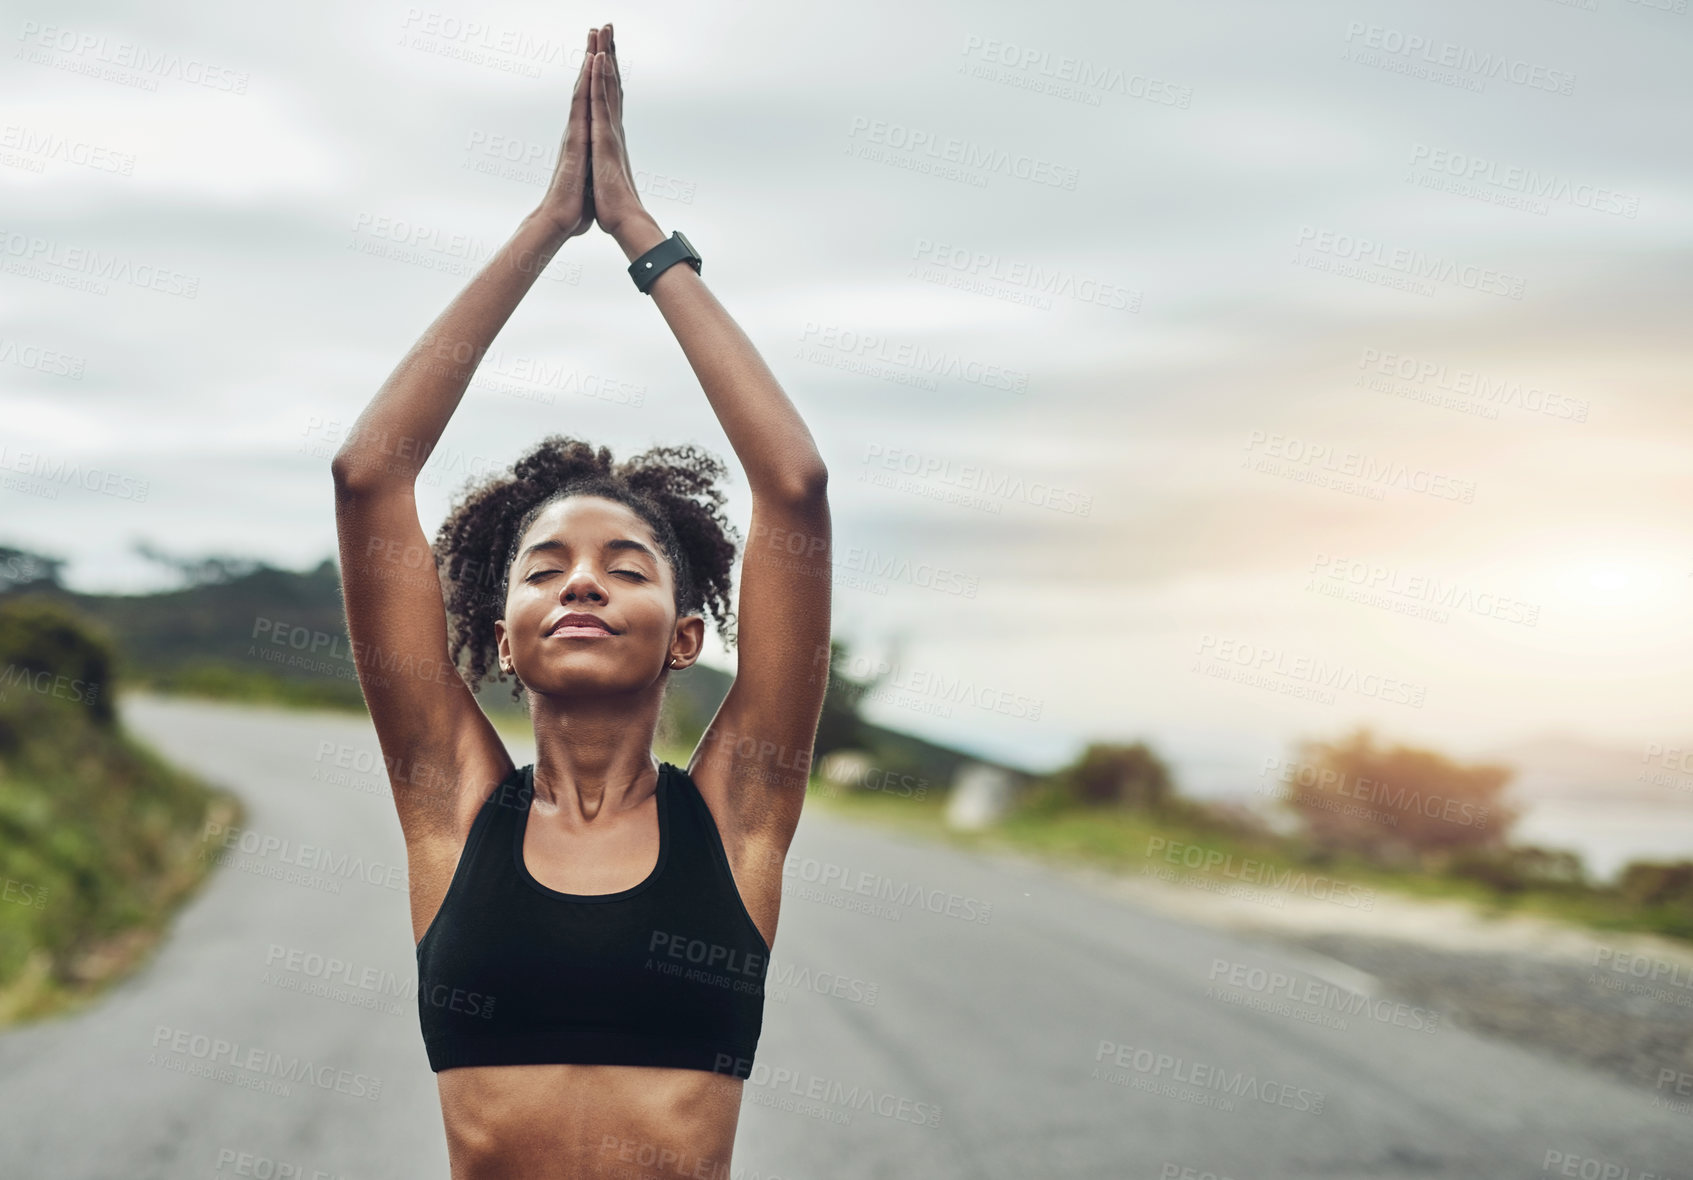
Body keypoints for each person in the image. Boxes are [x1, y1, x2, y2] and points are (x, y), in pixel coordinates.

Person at [330, 24, 831, 1178]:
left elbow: (792, 486)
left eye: (628, 565)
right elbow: (370, 476)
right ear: (498, 635)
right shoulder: (450, 810)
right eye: (545, 567)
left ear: (689, 635)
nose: (585, 581)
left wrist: (643, 240)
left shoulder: (737, 815)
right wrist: (548, 224)